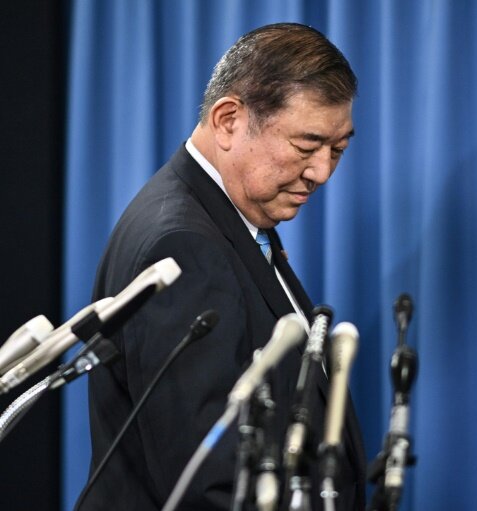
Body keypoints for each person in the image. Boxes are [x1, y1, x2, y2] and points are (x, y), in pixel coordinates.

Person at [79, 23, 366, 510]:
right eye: (306, 146)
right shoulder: (184, 244)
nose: (321, 172)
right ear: (229, 120)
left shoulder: (226, 214)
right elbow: (209, 482)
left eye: (337, 150)